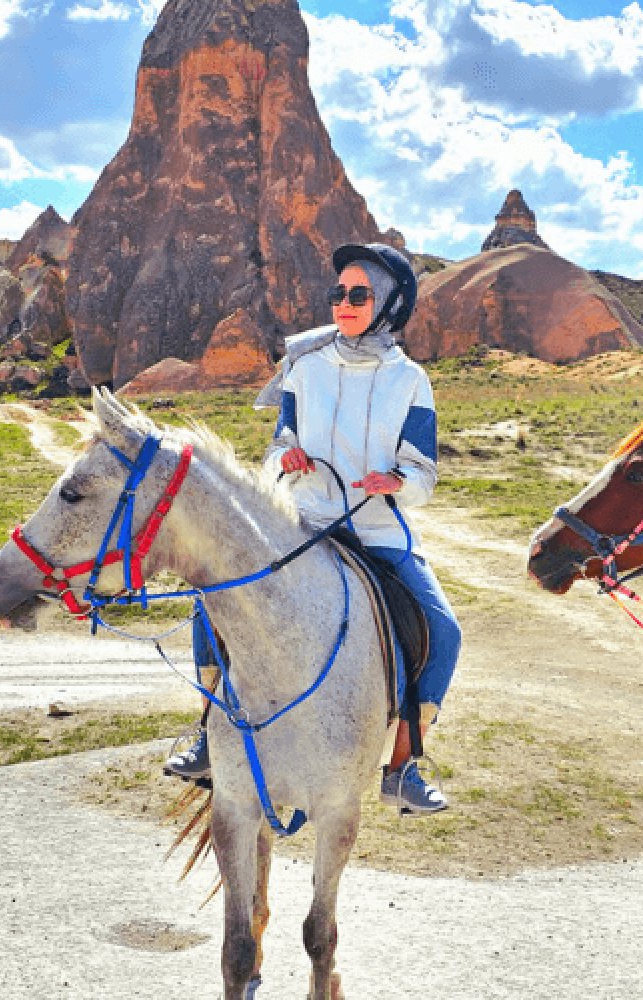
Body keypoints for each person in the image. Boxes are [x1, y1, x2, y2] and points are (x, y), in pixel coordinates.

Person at [165, 243, 461, 815]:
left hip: (377, 531)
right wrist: (287, 462)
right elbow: (278, 446)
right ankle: (206, 735)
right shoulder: (306, 367)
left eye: (358, 294)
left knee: (444, 631)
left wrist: (397, 482)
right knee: (212, 598)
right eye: (338, 293)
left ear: (391, 304)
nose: (343, 304)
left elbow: (425, 472)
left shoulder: (412, 381)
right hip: (301, 522)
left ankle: (403, 766)